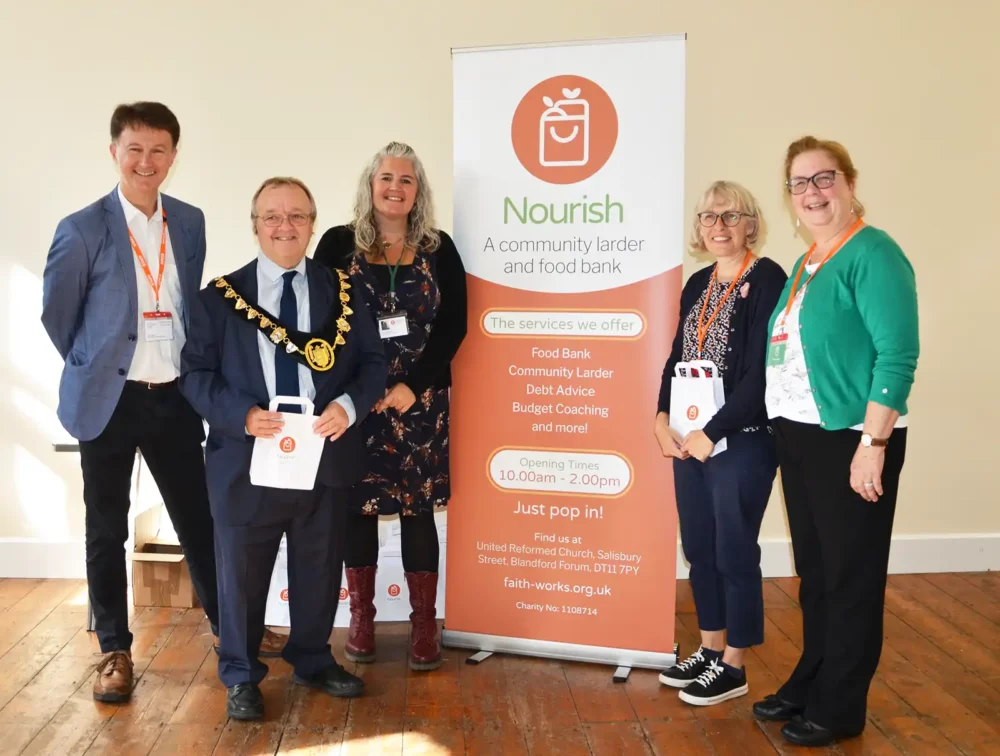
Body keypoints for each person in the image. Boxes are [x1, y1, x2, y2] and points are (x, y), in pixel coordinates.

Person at [39, 102, 243, 703]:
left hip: (174, 397)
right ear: (114, 153)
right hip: (109, 400)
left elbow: (184, 305)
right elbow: (59, 316)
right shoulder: (81, 229)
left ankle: (229, 629)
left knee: (200, 519)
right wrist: (95, 367)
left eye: (159, 150)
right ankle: (113, 650)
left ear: (174, 156)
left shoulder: (189, 221)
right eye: (135, 149)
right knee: (106, 528)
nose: (146, 161)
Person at [179, 177, 387, 720]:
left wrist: (349, 404)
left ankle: (314, 658)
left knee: (319, 564)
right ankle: (242, 674)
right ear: (255, 226)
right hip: (248, 457)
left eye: (296, 215)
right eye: (272, 216)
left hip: (324, 453)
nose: (284, 226)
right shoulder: (218, 299)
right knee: (242, 575)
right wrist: (241, 416)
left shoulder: (345, 291)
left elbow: (372, 365)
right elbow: (195, 376)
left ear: (313, 223)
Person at [752, 137, 918, 747]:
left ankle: (841, 705)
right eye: (799, 183)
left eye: (824, 178)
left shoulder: (874, 253)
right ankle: (811, 678)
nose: (813, 192)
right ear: (790, 199)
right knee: (817, 574)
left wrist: (873, 442)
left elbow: (897, 355)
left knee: (850, 576)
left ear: (848, 184)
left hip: (853, 437)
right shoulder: (811, 260)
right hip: (800, 436)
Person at [313, 142, 467, 671]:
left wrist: (413, 386)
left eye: (406, 180)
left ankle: (425, 625)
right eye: (386, 178)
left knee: (417, 509)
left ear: (417, 191)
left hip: (420, 405)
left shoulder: (439, 248)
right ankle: (361, 619)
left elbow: (454, 327)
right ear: (369, 184)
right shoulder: (336, 244)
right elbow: (322, 321)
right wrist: (354, 389)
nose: (394, 188)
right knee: (358, 508)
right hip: (356, 403)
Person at [654, 181, 787, 706]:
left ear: (750, 223)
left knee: (734, 549)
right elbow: (676, 359)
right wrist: (661, 418)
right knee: (701, 547)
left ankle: (735, 663)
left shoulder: (768, 278)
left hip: (743, 440)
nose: (719, 226)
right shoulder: (697, 284)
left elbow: (760, 375)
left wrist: (715, 432)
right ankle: (709, 649)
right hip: (690, 441)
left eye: (730, 216)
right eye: (709, 217)